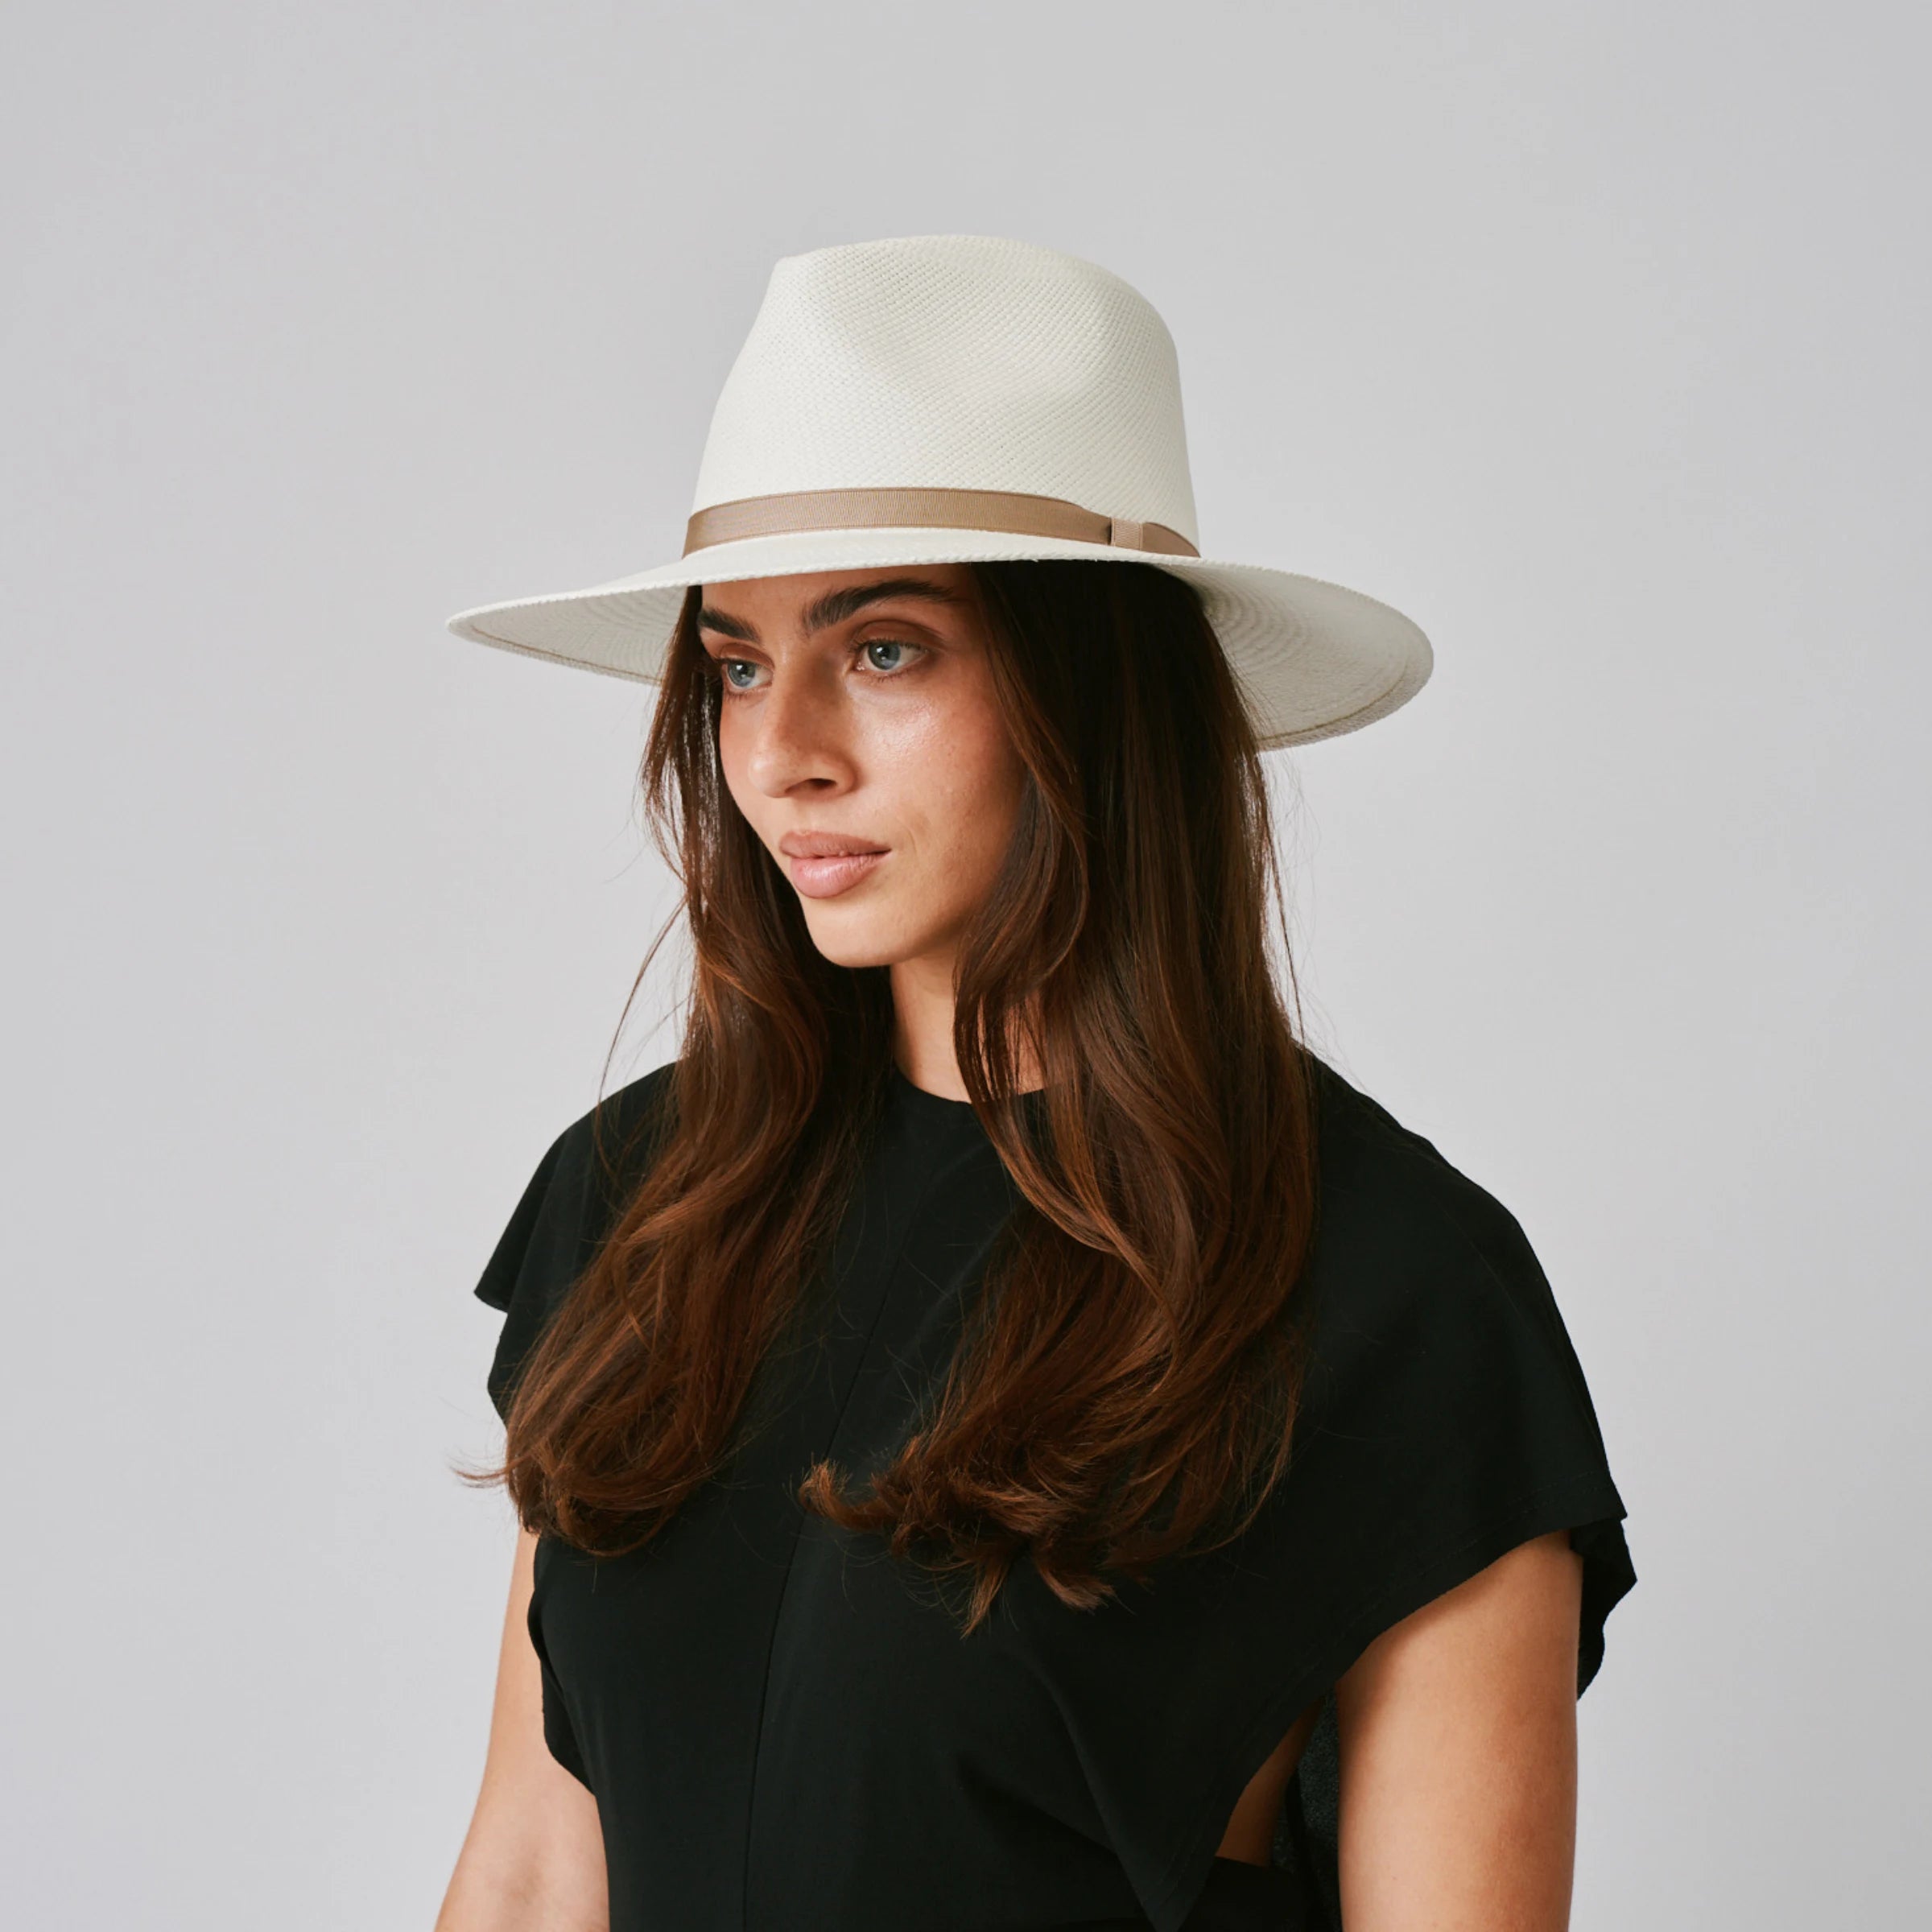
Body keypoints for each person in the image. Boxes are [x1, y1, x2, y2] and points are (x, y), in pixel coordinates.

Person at [432, 235, 1635, 1932]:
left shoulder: (1395, 1298)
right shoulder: (638, 1204)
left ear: (1097, 687)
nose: (783, 754)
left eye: (889, 648)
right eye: (738, 663)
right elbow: (535, 1872)